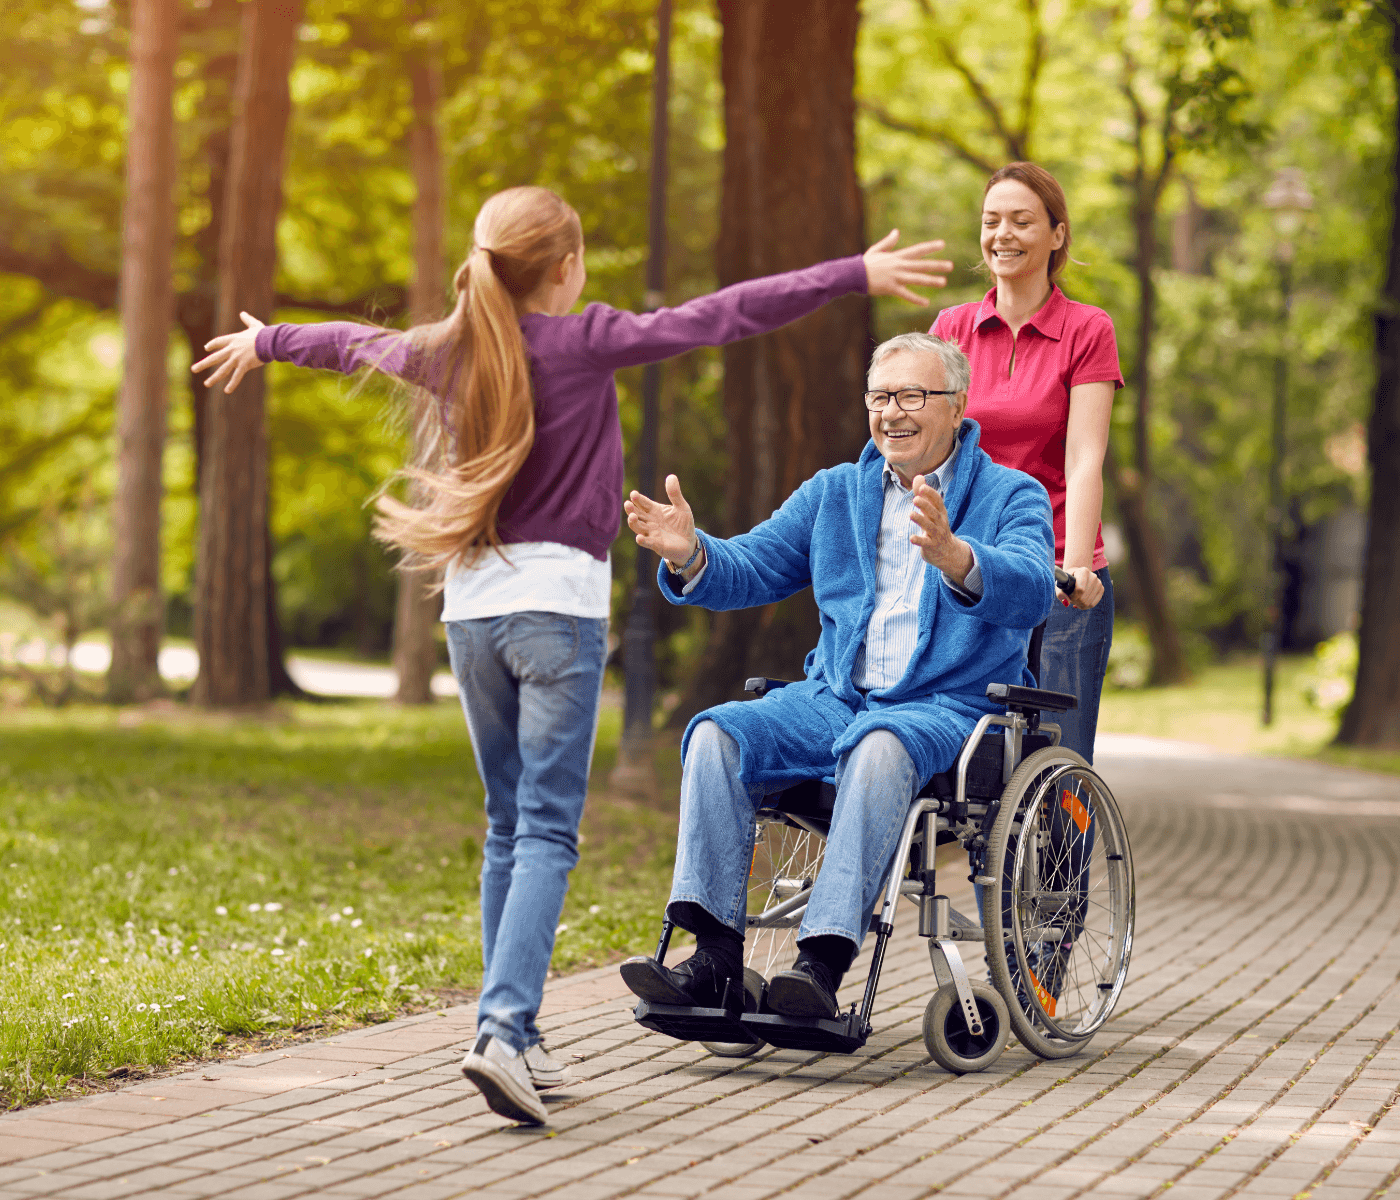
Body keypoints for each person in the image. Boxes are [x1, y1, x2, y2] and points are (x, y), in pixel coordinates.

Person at [191, 185, 952, 1124]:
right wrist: (853, 273)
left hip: (472, 615)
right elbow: (720, 315)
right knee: (546, 831)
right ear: (565, 268)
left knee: (506, 827)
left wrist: (270, 340)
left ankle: (520, 1034)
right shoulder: (583, 339)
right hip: (555, 615)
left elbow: (352, 343)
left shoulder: (451, 347)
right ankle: (503, 1031)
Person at [617, 333, 1055, 1019]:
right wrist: (691, 553)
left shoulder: (1010, 494)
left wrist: (958, 557)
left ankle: (818, 968)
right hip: (835, 700)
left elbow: (1032, 590)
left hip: (946, 708)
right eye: (880, 397)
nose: (892, 412)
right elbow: (754, 566)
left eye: (912, 395)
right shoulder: (835, 493)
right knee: (716, 735)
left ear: (957, 406)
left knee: (880, 743)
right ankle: (714, 958)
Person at [931, 163, 1122, 764]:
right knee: (965, 757)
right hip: (974, 565)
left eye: (1021, 221)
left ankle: (1066, 837)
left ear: (1057, 234)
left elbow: (1085, 457)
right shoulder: (952, 329)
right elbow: (929, 453)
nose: (1002, 235)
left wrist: (1076, 568)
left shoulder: (1087, 329)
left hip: (1059, 567)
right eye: (991, 221)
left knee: (1059, 757)